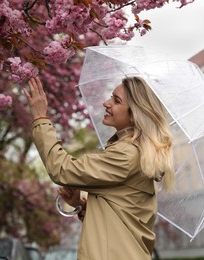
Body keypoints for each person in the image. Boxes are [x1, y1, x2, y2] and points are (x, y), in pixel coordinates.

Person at [23, 76, 174, 260]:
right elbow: (122, 218)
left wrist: (40, 119)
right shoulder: (136, 154)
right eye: (111, 97)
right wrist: (82, 205)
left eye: (116, 101)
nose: (106, 103)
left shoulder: (126, 155)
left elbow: (62, 169)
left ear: (135, 114)